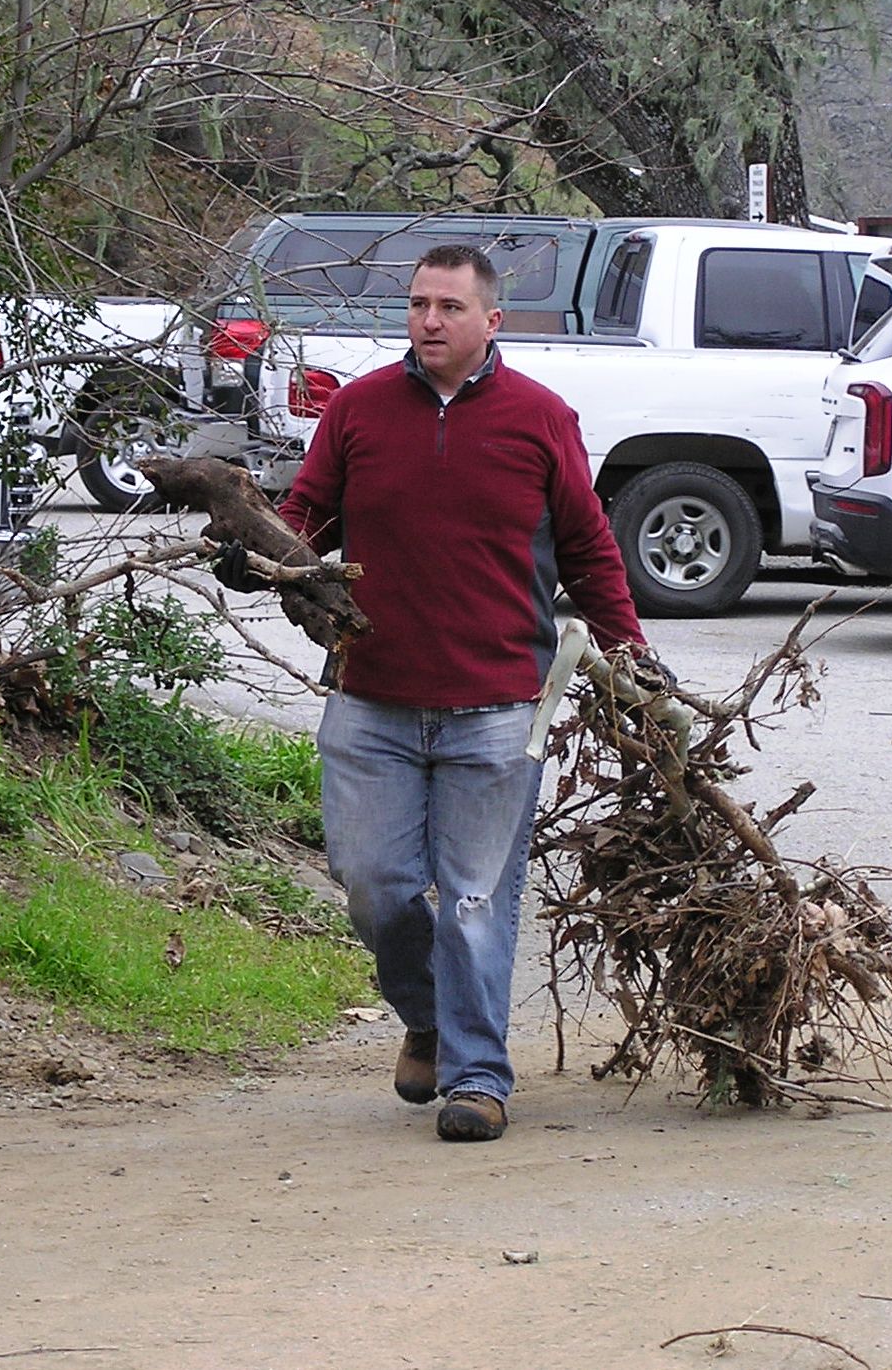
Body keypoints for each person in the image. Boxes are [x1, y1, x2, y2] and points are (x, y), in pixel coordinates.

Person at [264, 243, 655, 1142]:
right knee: (373, 886)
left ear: (491, 320)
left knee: (477, 898)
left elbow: (590, 550)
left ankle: (478, 1079)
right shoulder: (358, 409)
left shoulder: (540, 418)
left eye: (447, 306)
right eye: (416, 305)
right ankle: (430, 1019)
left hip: (497, 705)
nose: (428, 321)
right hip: (371, 699)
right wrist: (259, 547)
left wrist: (632, 651)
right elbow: (303, 516)